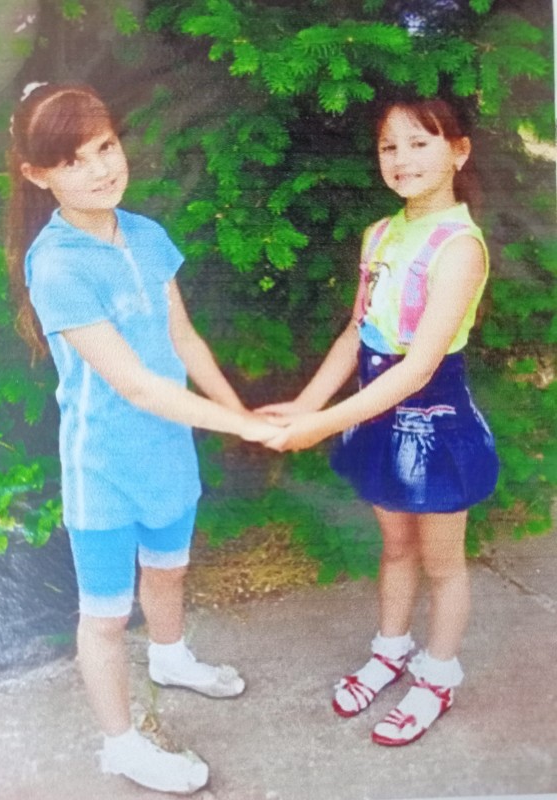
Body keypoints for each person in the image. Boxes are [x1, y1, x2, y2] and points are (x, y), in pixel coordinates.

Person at [6, 82, 279, 794]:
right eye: (72, 161)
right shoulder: (56, 264)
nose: (100, 169)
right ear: (38, 175)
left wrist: (242, 413)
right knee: (103, 616)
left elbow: (182, 339)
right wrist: (244, 426)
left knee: (169, 570)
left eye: (105, 147)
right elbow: (135, 385)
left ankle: (170, 656)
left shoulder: (148, 236)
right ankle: (121, 745)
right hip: (103, 467)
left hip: (169, 449)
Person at [261, 96, 499, 746]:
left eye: (420, 143)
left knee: (442, 561)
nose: (402, 159)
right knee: (395, 547)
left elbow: (418, 368)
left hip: (434, 420)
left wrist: (323, 424)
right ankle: (390, 650)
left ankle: (437, 676)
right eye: (389, 146)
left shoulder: (460, 247)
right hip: (377, 416)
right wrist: (307, 405)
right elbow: (355, 334)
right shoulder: (379, 234)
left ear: (459, 152)